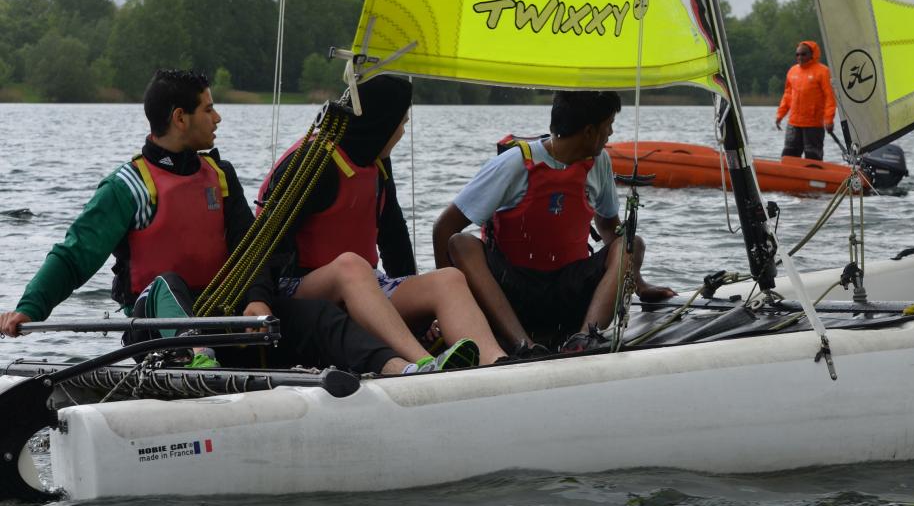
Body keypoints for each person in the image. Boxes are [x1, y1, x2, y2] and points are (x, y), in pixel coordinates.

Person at [0, 69, 416, 376]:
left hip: (224, 320)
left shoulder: (220, 176)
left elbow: (253, 249)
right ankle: (198, 359)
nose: (217, 118)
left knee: (318, 317)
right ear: (180, 118)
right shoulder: (129, 186)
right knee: (166, 284)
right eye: (209, 108)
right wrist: (30, 307)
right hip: (155, 331)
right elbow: (74, 255)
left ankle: (403, 370)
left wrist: (258, 299)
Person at [261, 74, 504, 366]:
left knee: (448, 279)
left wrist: (419, 315)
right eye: (402, 123)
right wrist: (258, 299)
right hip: (295, 288)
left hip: (362, 284)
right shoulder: (313, 164)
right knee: (352, 266)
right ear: (382, 123)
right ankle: (424, 364)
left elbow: (394, 240)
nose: (402, 132)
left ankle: (495, 362)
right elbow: (265, 246)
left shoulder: (376, 163)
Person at [432, 90, 675, 355]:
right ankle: (523, 344)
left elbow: (609, 228)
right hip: (513, 288)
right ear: (589, 132)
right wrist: (449, 310)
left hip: (569, 288)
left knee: (632, 243)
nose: (611, 133)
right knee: (461, 243)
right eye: (608, 126)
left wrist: (639, 284)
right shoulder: (513, 164)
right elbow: (444, 228)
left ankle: (584, 338)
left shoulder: (599, 162)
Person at [774, 40, 836, 160]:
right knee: (788, 155)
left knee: (813, 156)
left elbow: (829, 97)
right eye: (797, 54)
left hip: (813, 124)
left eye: (803, 54)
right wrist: (780, 115)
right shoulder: (792, 71)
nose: (800, 57)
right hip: (794, 123)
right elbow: (787, 96)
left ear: (812, 55)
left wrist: (829, 120)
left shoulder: (823, 71)